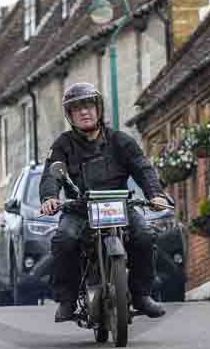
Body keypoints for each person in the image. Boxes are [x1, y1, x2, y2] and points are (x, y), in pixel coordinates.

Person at [39, 82, 169, 323]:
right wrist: (49, 198)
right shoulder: (62, 145)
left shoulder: (121, 141)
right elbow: (51, 173)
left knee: (144, 235)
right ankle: (67, 300)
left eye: (88, 106)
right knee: (63, 240)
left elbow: (142, 167)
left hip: (120, 206)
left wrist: (155, 194)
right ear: (70, 115)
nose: (84, 112)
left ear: (99, 110)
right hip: (79, 210)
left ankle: (141, 294)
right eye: (77, 109)